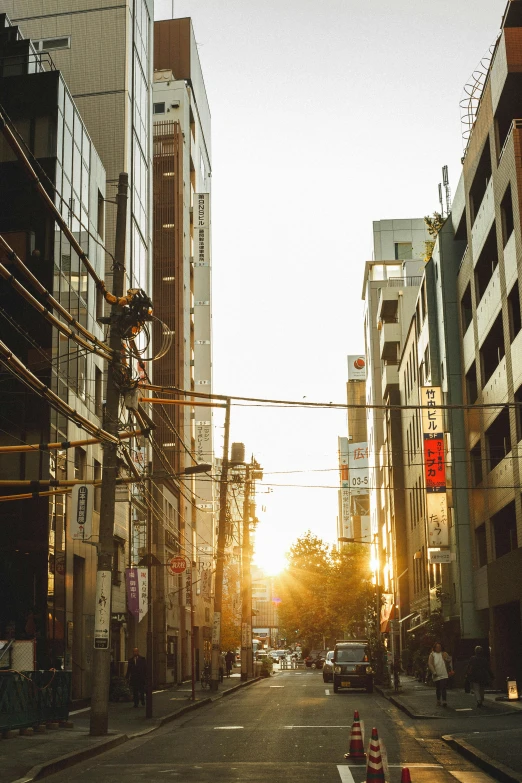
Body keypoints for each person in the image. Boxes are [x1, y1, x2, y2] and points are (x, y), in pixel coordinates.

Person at [428, 641, 453, 707]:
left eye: (440, 647)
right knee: (438, 688)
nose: (438, 648)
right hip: (436, 673)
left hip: (444, 673)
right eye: (437, 647)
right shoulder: (432, 654)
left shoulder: (444, 653)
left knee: (443, 687)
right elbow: (430, 663)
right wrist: (433, 672)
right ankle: (438, 700)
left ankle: (444, 701)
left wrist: (446, 659)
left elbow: (449, 660)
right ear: (435, 648)